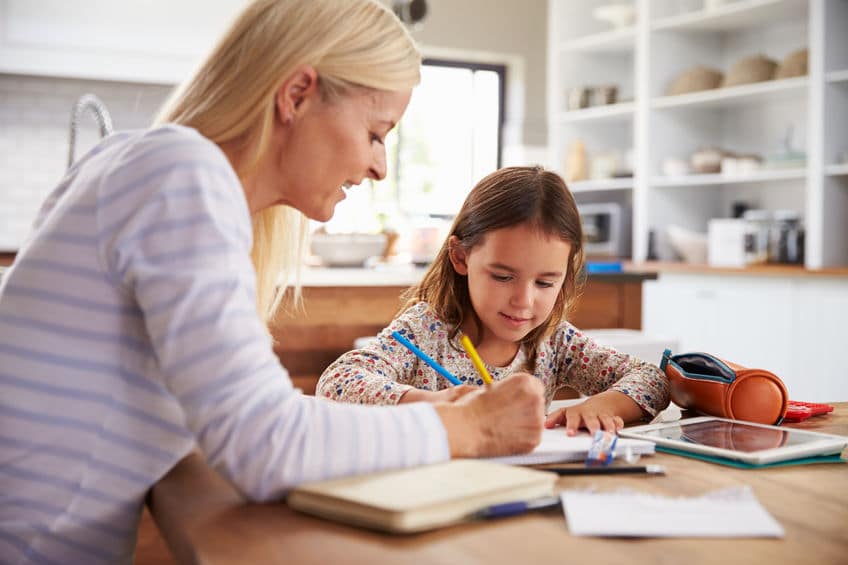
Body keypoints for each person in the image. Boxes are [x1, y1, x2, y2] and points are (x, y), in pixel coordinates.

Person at [0, 1, 546, 562]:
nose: (380, 166)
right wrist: (466, 429)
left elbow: (258, 417)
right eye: (375, 132)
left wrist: (439, 417)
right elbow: (264, 445)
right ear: (297, 94)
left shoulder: (150, 165)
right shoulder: (181, 175)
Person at [317, 166, 670, 435]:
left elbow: (651, 379)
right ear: (461, 257)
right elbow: (338, 381)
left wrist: (604, 405)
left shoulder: (555, 341)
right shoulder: (425, 330)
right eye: (502, 277)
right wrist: (431, 404)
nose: (523, 301)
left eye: (546, 282)